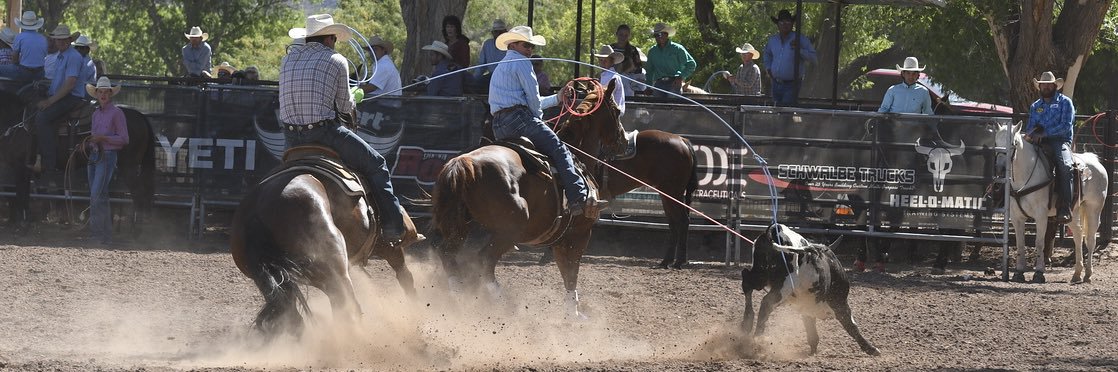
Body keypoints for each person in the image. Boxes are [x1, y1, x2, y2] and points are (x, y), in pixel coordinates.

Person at [279, 14, 407, 244]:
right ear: (329, 39)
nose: (335, 43)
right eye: (335, 39)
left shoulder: (287, 60)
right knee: (376, 164)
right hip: (324, 133)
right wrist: (355, 96)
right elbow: (345, 107)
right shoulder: (336, 60)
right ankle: (393, 226)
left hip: (290, 138)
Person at [489, 25, 605, 217]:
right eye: (526, 45)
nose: (530, 50)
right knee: (559, 148)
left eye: (531, 46)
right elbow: (533, 102)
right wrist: (539, 120)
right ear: (513, 44)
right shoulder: (523, 63)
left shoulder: (500, 66)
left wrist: (557, 98)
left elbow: (528, 101)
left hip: (499, 126)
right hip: (521, 120)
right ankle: (579, 197)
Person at [35, 25, 86, 174]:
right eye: (58, 40)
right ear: (55, 41)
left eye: (64, 39)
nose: (61, 42)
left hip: (72, 97)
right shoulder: (61, 56)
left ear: (69, 40)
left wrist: (49, 101)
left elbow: (70, 85)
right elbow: (59, 82)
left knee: (42, 118)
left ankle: (49, 163)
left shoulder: (73, 57)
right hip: (61, 95)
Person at [1025, 71, 1075, 223]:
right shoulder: (1035, 106)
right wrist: (1029, 134)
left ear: (1055, 86)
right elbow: (1030, 126)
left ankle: (1065, 207)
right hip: (1038, 142)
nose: (1045, 87)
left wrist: (1045, 134)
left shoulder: (1065, 102)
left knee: (1065, 166)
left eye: (1048, 84)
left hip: (1060, 142)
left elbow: (1066, 126)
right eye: (1042, 84)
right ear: (1039, 87)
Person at [85, 76, 128, 245]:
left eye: (105, 92)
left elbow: (124, 139)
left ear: (110, 94)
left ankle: (96, 235)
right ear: (96, 94)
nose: (102, 95)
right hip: (95, 156)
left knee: (96, 195)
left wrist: (103, 138)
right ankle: (106, 236)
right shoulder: (96, 114)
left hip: (107, 156)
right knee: (100, 196)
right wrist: (88, 142)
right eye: (100, 92)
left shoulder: (117, 113)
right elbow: (94, 137)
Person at [763, 9, 817, 105]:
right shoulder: (773, 40)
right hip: (775, 83)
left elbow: (813, 57)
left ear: (792, 23)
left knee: (785, 112)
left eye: (788, 21)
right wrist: (768, 68)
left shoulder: (800, 39)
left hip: (792, 84)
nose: (785, 24)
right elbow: (767, 54)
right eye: (782, 22)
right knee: (776, 110)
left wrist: (799, 50)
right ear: (778, 24)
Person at [644, 22, 696, 98]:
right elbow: (649, 71)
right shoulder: (652, 51)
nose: (658, 37)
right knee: (656, 105)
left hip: (674, 82)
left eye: (660, 35)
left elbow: (691, 64)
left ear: (666, 34)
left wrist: (681, 77)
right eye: (656, 35)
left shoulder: (677, 48)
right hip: (659, 83)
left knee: (673, 102)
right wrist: (648, 86)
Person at [0, 11, 47, 81]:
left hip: (24, 72)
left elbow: (14, 59)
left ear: (22, 25)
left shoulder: (20, 37)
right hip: (40, 73)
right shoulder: (43, 38)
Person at [610, 24, 647, 96]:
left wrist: (625, 71)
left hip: (629, 77)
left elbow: (637, 67)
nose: (623, 37)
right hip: (612, 75)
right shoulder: (611, 48)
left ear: (629, 36)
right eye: (621, 34)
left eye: (626, 35)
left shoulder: (632, 50)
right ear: (616, 34)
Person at [592, 44, 626, 114]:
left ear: (612, 62)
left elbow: (604, 95)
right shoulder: (603, 75)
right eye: (601, 60)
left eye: (605, 60)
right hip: (603, 112)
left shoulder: (613, 77)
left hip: (612, 113)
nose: (603, 63)